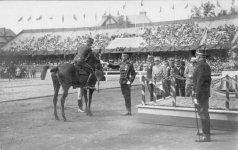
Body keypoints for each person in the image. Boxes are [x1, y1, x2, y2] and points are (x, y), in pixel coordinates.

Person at [192, 50, 211, 142]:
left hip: (201, 94)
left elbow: (200, 81)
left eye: (196, 55)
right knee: (204, 113)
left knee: (203, 113)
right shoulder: (204, 65)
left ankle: (206, 135)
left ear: (199, 56)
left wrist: (196, 95)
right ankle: (205, 131)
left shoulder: (201, 65)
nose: (195, 57)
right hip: (204, 93)